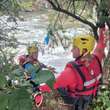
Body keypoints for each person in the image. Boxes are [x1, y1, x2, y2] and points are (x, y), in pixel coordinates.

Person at [54, 25, 109, 110]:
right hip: (91, 98)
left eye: (74, 48)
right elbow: (102, 43)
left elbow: (52, 84)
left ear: (84, 51)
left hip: (77, 103)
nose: (71, 50)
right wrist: (102, 27)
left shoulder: (71, 72)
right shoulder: (97, 57)